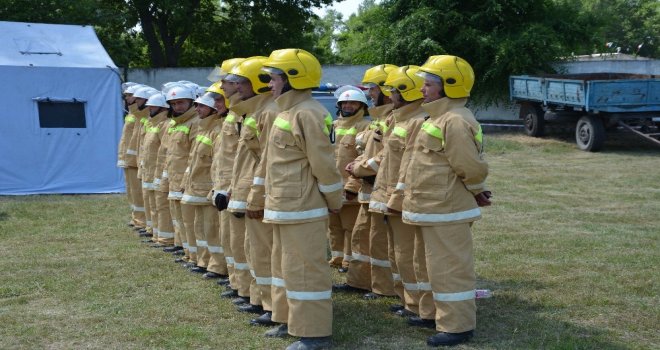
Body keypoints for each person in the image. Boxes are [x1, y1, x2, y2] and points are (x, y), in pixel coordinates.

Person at [389, 55, 490, 346]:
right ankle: (430, 313)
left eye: (429, 84)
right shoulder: (437, 117)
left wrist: (476, 189)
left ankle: (457, 326)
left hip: (446, 209)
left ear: (450, 85)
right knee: (428, 266)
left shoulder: (455, 120)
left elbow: (469, 166)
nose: (422, 90)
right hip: (428, 208)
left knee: (450, 270)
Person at [250, 48, 341, 350]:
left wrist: (333, 199)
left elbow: (324, 164)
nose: (270, 84)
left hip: (303, 207)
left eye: (274, 78)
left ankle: (314, 333)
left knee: (305, 270)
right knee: (284, 267)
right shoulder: (286, 112)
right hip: (283, 206)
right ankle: (287, 320)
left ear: (292, 78)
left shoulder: (310, 113)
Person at [370, 66, 435, 327]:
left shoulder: (418, 120)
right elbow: (389, 159)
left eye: (394, 90)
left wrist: (397, 198)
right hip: (389, 196)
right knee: (398, 254)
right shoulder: (402, 119)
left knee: (409, 256)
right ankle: (409, 302)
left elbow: (410, 166)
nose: (390, 95)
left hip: (403, 198)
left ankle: (421, 306)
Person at [224, 56, 280, 322]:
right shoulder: (251, 112)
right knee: (253, 249)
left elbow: (268, 161)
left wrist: (258, 195)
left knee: (264, 251)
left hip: (263, 193)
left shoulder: (267, 112)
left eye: (239, 83)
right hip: (248, 190)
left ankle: (272, 306)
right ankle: (261, 300)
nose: (232, 87)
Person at [344, 64, 401, 301]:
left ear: (387, 90)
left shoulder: (395, 119)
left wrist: (360, 168)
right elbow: (367, 149)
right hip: (368, 191)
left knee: (380, 243)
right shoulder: (379, 119)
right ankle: (359, 282)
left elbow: (386, 156)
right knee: (362, 237)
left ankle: (384, 289)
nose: (369, 94)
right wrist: (356, 170)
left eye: (373, 88)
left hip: (383, 190)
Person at [328, 86, 372, 291]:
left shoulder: (365, 127)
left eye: (352, 103)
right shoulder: (333, 125)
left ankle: (348, 262)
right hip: (331, 186)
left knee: (350, 227)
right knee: (334, 226)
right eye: (344, 103)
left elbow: (362, 158)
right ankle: (337, 258)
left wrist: (352, 186)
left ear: (361, 106)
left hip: (350, 186)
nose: (347, 106)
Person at [180, 92, 222, 274]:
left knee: (212, 229)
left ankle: (218, 266)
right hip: (196, 188)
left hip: (208, 189)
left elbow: (220, 165)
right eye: (196, 105)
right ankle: (204, 261)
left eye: (202, 106)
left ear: (213, 109)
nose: (197, 109)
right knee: (200, 228)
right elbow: (192, 160)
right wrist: (185, 182)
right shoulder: (203, 129)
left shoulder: (217, 130)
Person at [163, 84, 199, 267]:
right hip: (175, 180)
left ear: (192, 101)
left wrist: (185, 180)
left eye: (181, 102)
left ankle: (196, 257)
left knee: (190, 222)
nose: (177, 107)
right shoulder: (175, 124)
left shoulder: (195, 123)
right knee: (180, 220)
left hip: (187, 182)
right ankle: (188, 253)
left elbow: (194, 156)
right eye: (174, 103)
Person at [139, 91, 173, 247]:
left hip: (158, 173)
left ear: (162, 108)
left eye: (153, 107)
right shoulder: (153, 124)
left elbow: (165, 152)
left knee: (162, 207)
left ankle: (165, 238)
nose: (149, 109)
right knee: (153, 205)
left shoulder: (165, 125)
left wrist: (161, 175)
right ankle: (156, 233)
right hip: (149, 172)